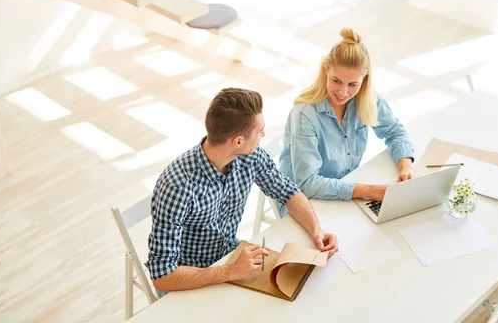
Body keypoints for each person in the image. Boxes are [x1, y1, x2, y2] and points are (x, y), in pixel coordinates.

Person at [147, 88, 338, 295]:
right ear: (237, 141)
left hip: (229, 257)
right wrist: (229, 271)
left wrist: (317, 232)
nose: (262, 135)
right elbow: (163, 276)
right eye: (259, 131)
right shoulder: (177, 186)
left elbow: (287, 192)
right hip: (187, 280)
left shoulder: (249, 156)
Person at [279, 28, 415, 209]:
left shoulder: (366, 99)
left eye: (353, 84)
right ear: (325, 70)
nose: (343, 93)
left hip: (346, 190)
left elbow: (395, 131)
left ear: (364, 80)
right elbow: (307, 184)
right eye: (336, 81)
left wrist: (405, 166)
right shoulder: (305, 114)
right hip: (303, 201)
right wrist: (369, 190)